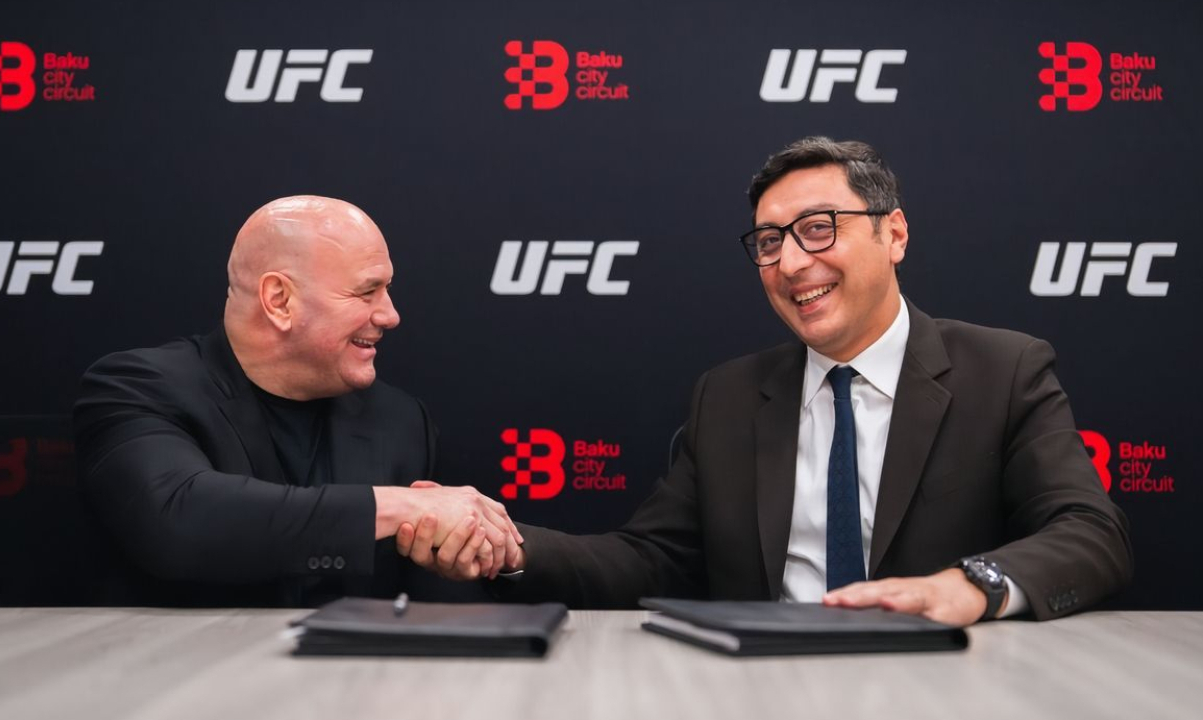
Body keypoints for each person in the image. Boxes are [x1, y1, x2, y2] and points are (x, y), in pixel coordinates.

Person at [399, 137, 1133, 626]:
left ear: (894, 234)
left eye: (819, 228)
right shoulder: (727, 398)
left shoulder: (1003, 371)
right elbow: (649, 561)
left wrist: (968, 587)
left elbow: (1090, 534)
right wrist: (512, 548)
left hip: (946, 684)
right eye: (770, 242)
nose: (791, 263)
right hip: (762, 688)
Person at [74, 196, 521, 606]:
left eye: (387, 290)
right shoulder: (137, 387)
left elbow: (436, 596)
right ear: (279, 300)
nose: (390, 315)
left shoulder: (400, 420)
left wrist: (473, 555)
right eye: (366, 292)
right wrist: (402, 506)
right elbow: (178, 520)